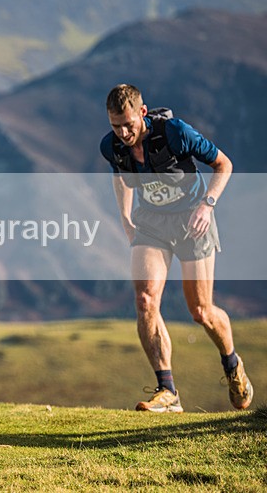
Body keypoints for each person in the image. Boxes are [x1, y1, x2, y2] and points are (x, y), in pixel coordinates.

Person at [100, 84, 253, 412]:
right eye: (116, 125)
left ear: (142, 112)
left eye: (128, 124)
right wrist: (126, 219)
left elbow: (224, 164)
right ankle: (168, 391)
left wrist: (207, 205)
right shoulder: (112, 145)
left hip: (192, 222)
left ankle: (232, 365)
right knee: (145, 301)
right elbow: (121, 176)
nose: (123, 132)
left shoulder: (175, 132)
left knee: (201, 311)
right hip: (152, 226)